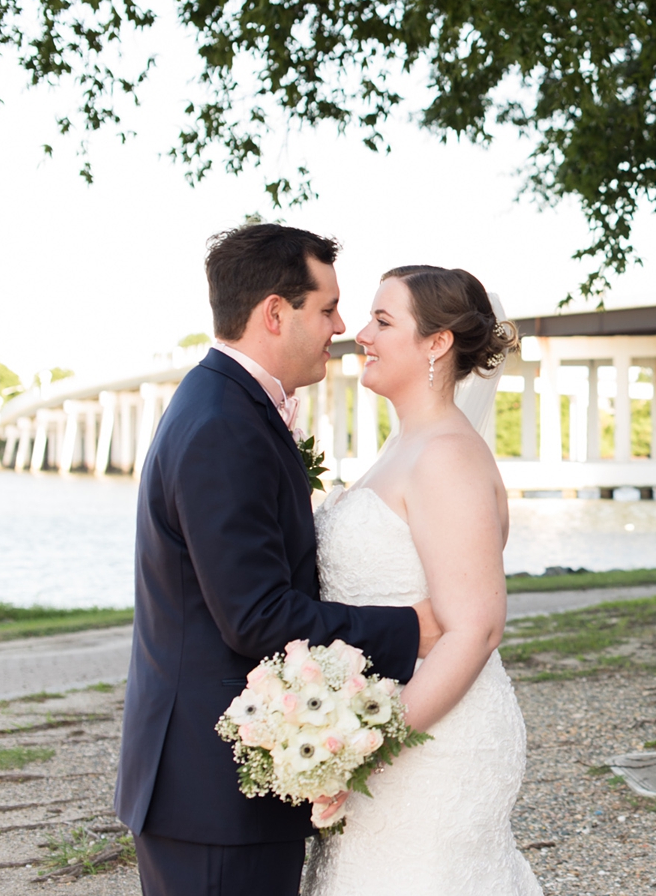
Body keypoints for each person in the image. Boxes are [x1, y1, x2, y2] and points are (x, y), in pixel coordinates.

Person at [115, 225, 443, 896]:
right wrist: (415, 628)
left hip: (220, 790)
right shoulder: (223, 426)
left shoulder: (225, 405)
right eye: (326, 308)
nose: (342, 325)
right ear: (274, 312)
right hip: (212, 798)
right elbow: (256, 616)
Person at [300, 265, 541, 895]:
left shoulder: (447, 456)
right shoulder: (405, 446)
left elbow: (476, 628)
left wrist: (369, 745)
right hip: (384, 726)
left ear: (436, 343)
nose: (360, 334)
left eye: (383, 321)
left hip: (433, 743)